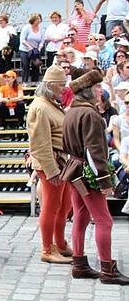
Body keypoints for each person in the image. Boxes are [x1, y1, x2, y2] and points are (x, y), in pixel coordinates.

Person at [62, 69, 129, 284]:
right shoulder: (90, 114)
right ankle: (108, 269)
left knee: (81, 215)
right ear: (88, 90)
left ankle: (79, 263)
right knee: (104, 220)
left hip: (74, 168)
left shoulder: (71, 111)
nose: (101, 90)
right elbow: (94, 152)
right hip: (87, 171)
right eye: (97, 87)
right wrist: (104, 181)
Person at [27, 65, 73, 263]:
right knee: (51, 206)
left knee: (64, 205)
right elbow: (40, 144)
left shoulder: (50, 104)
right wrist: (51, 170)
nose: (64, 88)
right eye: (61, 85)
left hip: (61, 162)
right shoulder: (40, 107)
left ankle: (60, 243)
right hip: (52, 163)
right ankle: (47, 248)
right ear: (51, 85)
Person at [19, 13, 45, 83]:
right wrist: (29, 47)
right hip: (25, 49)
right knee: (25, 66)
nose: (39, 21)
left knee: (36, 65)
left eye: (39, 19)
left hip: (35, 50)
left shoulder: (41, 29)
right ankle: (25, 82)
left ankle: (35, 82)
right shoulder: (26, 28)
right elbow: (22, 40)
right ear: (33, 20)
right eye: (37, 19)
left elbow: (42, 41)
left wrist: (39, 48)